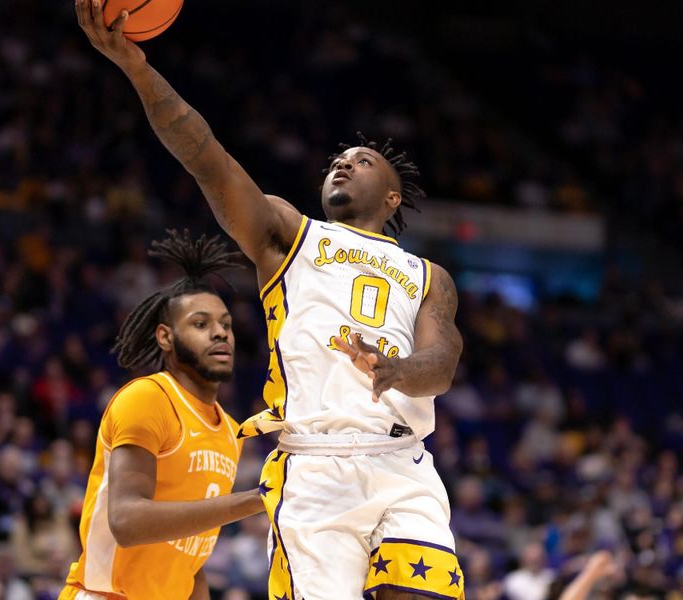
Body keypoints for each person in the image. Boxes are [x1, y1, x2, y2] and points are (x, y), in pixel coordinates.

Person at [76, 4, 465, 598]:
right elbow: (205, 156)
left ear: (391, 197)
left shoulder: (428, 274)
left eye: (362, 161)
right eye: (338, 159)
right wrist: (137, 68)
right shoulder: (291, 234)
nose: (343, 162)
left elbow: (441, 368)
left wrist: (396, 369)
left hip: (402, 461)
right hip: (315, 466)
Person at [59, 231, 264, 599]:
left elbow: (192, 564)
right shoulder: (147, 399)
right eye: (201, 324)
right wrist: (256, 499)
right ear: (166, 337)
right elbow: (126, 522)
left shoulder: (231, 431)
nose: (220, 333)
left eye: (226, 324)